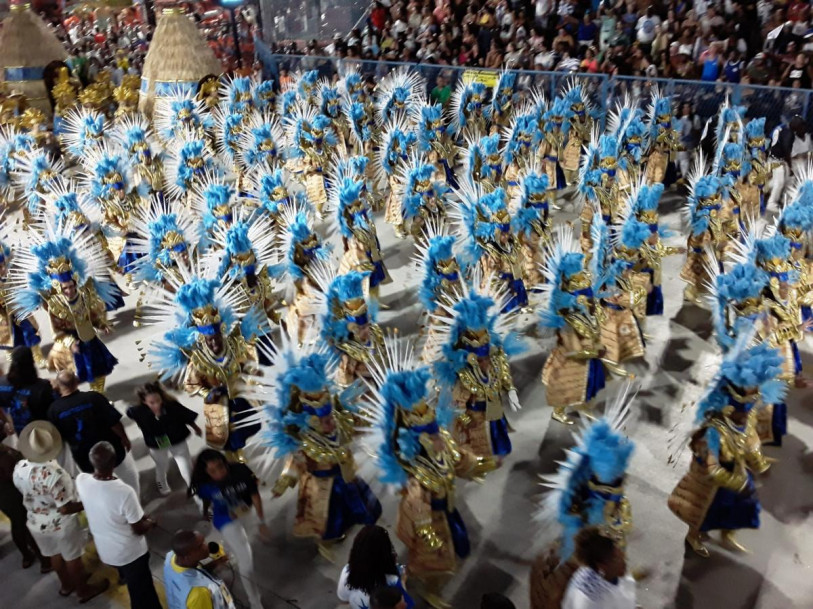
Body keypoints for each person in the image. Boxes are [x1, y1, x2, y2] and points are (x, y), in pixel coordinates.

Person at [12, 421, 108, 602]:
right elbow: (65, 508)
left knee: (54, 555)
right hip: (60, 524)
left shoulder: (19, 468)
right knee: (72, 558)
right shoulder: (55, 474)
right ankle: (83, 590)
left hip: (35, 521)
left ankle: (66, 585)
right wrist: (88, 503)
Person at [75, 441, 161, 609]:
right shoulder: (124, 492)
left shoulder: (82, 480)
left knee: (130, 578)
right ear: (114, 463)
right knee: (142, 593)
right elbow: (138, 529)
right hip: (130, 554)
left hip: (106, 551)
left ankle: (124, 576)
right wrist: (151, 523)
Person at [191, 449, 267, 609]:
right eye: (212, 471)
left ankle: (228, 550)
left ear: (225, 462)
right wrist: (206, 513)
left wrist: (262, 522)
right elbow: (206, 500)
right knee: (246, 563)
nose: (219, 473)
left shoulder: (241, 470)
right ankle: (255, 602)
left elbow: (255, 495)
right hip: (224, 518)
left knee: (241, 539)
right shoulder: (204, 485)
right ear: (206, 473)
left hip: (245, 511)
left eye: (220, 466)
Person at [48, 370, 139, 496]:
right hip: (112, 449)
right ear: (76, 382)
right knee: (129, 476)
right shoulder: (94, 397)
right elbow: (114, 422)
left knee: (101, 485)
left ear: (58, 385)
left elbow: (60, 438)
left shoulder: (54, 410)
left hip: (85, 458)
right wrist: (124, 438)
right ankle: (134, 499)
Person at [126, 381, 201, 495]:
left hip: (176, 438)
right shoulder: (138, 411)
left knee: (186, 465)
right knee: (162, 465)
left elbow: (184, 416)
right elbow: (129, 412)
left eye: (158, 400)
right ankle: (161, 483)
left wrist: (196, 428)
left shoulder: (171, 405)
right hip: (157, 442)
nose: (157, 404)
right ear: (144, 401)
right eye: (152, 402)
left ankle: (193, 487)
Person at [337, 525, 413, 609]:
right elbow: (405, 606)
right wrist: (402, 582)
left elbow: (344, 599)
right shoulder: (393, 582)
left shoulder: (346, 572)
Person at [0, 442, 48, 571]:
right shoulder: (4, 455)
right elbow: (13, 475)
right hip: (13, 493)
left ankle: (27, 556)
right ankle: (44, 561)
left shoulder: (5, 453)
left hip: (4, 497)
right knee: (27, 525)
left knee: (17, 524)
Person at [561, 528, 635, 609]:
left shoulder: (589, 569)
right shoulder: (595, 601)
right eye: (618, 559)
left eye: (623, 557)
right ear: (602, 565)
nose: (624, 563)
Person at [164, 529, 236, 609]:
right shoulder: (199, 593)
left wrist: (217, 562)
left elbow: (196, 572)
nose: (206, 547)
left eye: (203, 542)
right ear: (187, 557)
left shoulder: (171, 557)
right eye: (200, 546)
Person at [0, 346, 54, 439]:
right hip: (41, 427)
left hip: (18, 427)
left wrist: (6, 422)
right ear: (32, 362)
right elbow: (51, 410)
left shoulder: (2, 384)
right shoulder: (43, 387)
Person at [767, 115, 812, 210]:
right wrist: (790, 167)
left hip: (779, 159)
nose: (804, 129)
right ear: (797, 127)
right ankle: (771, 203)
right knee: (779, 182)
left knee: (786, 181)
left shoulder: (785, 130)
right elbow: (787, 152)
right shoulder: (789, 135)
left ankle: (783, 199)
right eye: (801, 127)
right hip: (776, 160)